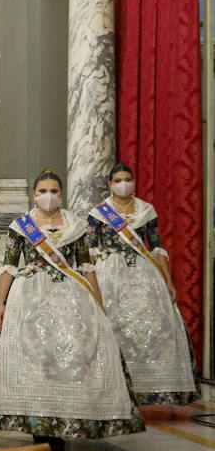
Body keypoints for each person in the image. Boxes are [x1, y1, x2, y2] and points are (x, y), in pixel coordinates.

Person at [0, 168, 144, 451]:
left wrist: (99, 306)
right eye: (42, 191)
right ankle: (38, 425)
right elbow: (8, 266)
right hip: (28, 298)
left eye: (54, 191)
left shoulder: (76, 226)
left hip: (70, 297)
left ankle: (66, 421)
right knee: (34, 359)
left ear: (62, 194)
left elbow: (87, 268)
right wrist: (0, 303)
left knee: (70, 357)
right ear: (34, 194)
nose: (48, 196)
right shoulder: (21, 225)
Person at [86, 163, 198, 406]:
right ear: (109, 184)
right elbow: (91, 253)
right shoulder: (99, 213)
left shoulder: (147, 211)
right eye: (118, 180)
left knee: (151, 329)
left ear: (134, 182)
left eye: (127, 179)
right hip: (110, 277)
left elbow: (157, 248)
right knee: (114, 328)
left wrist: (168, 282)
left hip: (146, 276)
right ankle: (112, 386)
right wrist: (88, 286)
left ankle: (150, 388)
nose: (123, 184)